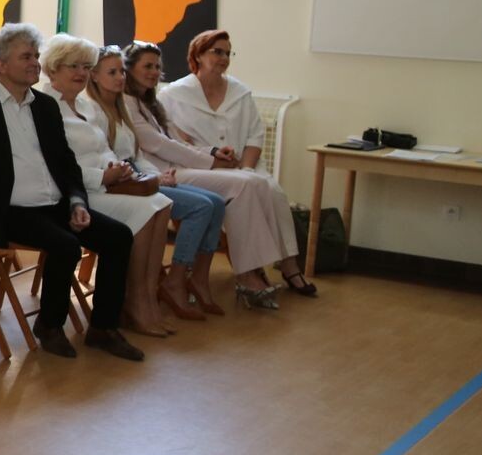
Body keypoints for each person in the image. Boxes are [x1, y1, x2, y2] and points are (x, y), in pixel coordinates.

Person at [0, 23, 142, 362]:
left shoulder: (45, 106)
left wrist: (77, 201)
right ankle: (49, 326)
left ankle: (103, 328)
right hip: (10, 211)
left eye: (36, 56)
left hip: (55, 205)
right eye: (26, 57)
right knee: (66, 245)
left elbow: (66, 164)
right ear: (1, 64)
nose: (35, 63)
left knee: (118, 236)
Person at [124, 41, 299, 311]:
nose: (154, 72)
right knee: (245, 185)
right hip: (163, 173)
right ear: (130, 69)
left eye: (157, 67)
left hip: (179, 167)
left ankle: (249, 271)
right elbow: (159, 145)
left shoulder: (151, 102)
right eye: (147, 66)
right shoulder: (127, 103)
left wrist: (214, 152)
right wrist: (212, 161)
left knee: (255, 181)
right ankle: (247, 275)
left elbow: (176, 141)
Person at [40, 36, 177, 338]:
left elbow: (103, 150)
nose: (81, 72)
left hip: (102, 186)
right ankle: (134, 302)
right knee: (149, 209)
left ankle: (145, 299)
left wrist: (119, 168)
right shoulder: (45, 108)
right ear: (52, 69)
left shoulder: (85, 106)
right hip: (75, 194)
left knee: (162, 203)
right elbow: (54, 167)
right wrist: (102, 177)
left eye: (85, 66)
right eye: (72, 66)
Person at [86, 46, 226, 323]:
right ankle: (173, 282)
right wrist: (148, 176)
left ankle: (195, 279)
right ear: (94, 76)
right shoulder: (93, 110)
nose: (120, 78)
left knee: (216, 203)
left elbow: (138, 154)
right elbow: (107, 157)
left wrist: (157, 175)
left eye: (121, 72)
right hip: (121, 183)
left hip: (140, 175)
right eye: (112, 73)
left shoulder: (122, 107)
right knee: (200, 207)